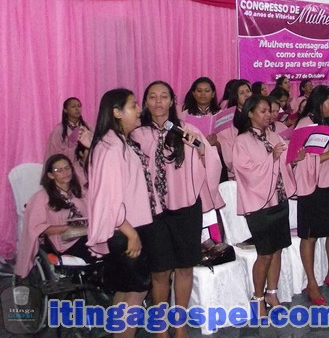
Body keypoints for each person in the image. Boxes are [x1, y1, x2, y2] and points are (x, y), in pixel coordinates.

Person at [133, 81, 224, 338]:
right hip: (154, 213)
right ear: (145, 102)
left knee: (185, 268)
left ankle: (180, 324)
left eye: (164, 96)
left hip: (186, 210)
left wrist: (201, 149)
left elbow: (212, 163)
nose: (158, 101)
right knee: (160, 272)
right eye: (153, 97)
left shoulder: (186, 130)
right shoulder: (137, 135)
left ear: (172, 101)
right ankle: (161, 327)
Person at [86, 89, 153, 338]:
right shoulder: (112, 147)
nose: (139, 110)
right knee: (136, 292)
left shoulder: (115, 142)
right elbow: (109, 199)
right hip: (126, 230)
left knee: (125, 291)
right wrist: (131, 234)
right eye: (133, 105)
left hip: (126, 229)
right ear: (116, 112)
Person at [232, 95, 301, 317]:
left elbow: (283, 163)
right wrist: (272, 157)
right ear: (250, 113)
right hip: (258, 204)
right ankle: (258, 297)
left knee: (278, 248)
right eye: (262, 111)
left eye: (270, 111)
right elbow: (247, 172)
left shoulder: (273, 135)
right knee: (265, 253)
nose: (268, 115)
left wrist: (294, 156)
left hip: (278, 199)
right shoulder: (242, 141)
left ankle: (272, 292)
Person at [293, 85, 329, 305]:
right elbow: (299, 159)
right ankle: (312, 283)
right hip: (312, 187)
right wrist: (328, 155)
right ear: (318, 101)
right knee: (310, 236)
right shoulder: (305, 125)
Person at [15, 154, 93, 278]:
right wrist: (66, 228)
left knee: (111, 240)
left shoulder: (81, 192)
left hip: (86, 235)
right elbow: (37, 227)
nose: (65, 172)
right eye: (58, 170)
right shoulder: (41, 198)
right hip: (64, 242)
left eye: (67, 168)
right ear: (50, 175)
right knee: (103, 246)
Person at [45, 97, 92, 185]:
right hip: (68, 167)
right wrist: (73, 147)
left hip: (86, 165)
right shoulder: (59, 130)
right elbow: (54, 153)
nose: (77, 109)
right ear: (65, 110)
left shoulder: (87, 127)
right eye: (73, 106)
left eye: (79, 106)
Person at [182, 77, 221, 146]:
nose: (203, 94)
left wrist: (216, 143)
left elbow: (227, 141)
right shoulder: (184, 115)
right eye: (199, 91)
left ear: (213, 94)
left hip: (214, 151)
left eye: (207, 91)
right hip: (191, 150)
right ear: (194, 94)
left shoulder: (221, 115)